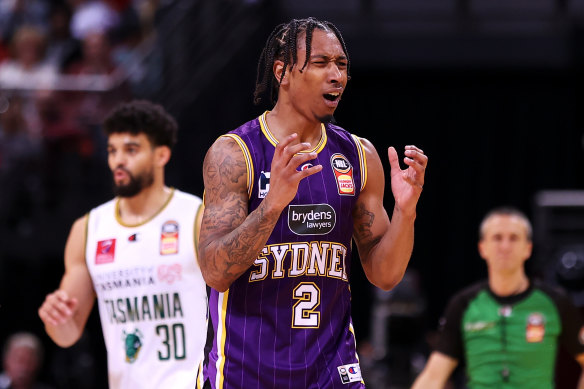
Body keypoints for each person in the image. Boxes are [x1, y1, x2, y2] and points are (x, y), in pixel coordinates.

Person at [199, 17, 428, 388]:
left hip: (330, 371)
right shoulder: (234, 154)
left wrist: (406, 210)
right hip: (246, 372)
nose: (336, 75)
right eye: (321, 63)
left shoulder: (359, 155)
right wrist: (272, 204)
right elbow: (215, 271)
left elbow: (385, 275)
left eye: (341, 65)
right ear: (282, 72)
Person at [38, 100, 208, 389]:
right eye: (112, 151)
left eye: (131, 150)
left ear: (161, 155)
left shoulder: (196, 216)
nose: (118, 161)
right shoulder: (88, 228)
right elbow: (67, 334)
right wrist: (56, 318)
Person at [411, 207, 584, 389]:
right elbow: (433, 375)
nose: (505, 246)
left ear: (528, 248)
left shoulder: (555, 302)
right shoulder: (464, 304)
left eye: (514, 238)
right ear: (482, 248)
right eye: (497, 238)